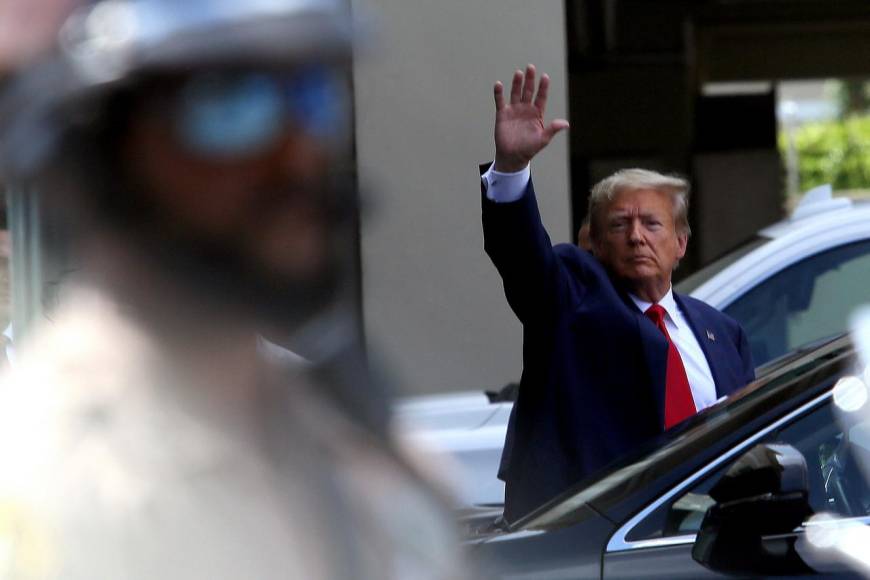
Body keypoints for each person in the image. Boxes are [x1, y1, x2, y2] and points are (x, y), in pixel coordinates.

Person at [0, 1, 466, 578]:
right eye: (230, 102)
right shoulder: (48, 478)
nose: (298, 154)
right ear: (91, 151)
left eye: (312, 95)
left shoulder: (357, 444)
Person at [482, 64, 755, 522]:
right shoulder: (570, 295)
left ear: (680, 243)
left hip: (698, 545)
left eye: (651, 224)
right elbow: (523, 259)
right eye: (619, 224)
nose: (635, 237)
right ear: (595, 242)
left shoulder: (722, 333)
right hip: (590, 543)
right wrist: (512, 169)